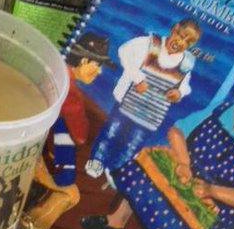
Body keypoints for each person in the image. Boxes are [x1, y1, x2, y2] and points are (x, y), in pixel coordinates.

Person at [83, 81, 234, 229]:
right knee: (148, 168)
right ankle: (115, 222)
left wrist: (209, 190)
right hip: (184, 164)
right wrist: (183, 163)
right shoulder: (221, 109)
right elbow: (177, 130)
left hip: (214, 198)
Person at [85, 18, 201, 180]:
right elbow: (123, 52)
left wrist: (179, 92)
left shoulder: (186, 63)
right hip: (126, 101)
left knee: (133, 143)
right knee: (111, 131)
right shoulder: (150, 43)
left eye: (187, 42)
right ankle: (97, 159)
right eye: (180, 35)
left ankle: (116, 170)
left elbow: (185, 85)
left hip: (152, 113)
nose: (180, 42)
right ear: (174, 28)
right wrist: (137, 77)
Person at [25, 32, 112, 229]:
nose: (98, 72)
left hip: (28, 143)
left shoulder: (52, 73)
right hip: (31, 155)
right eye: (97, 65)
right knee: (71, 194)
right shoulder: (69, 92)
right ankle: (30, 228)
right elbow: (80, 135)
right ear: (83, 61)